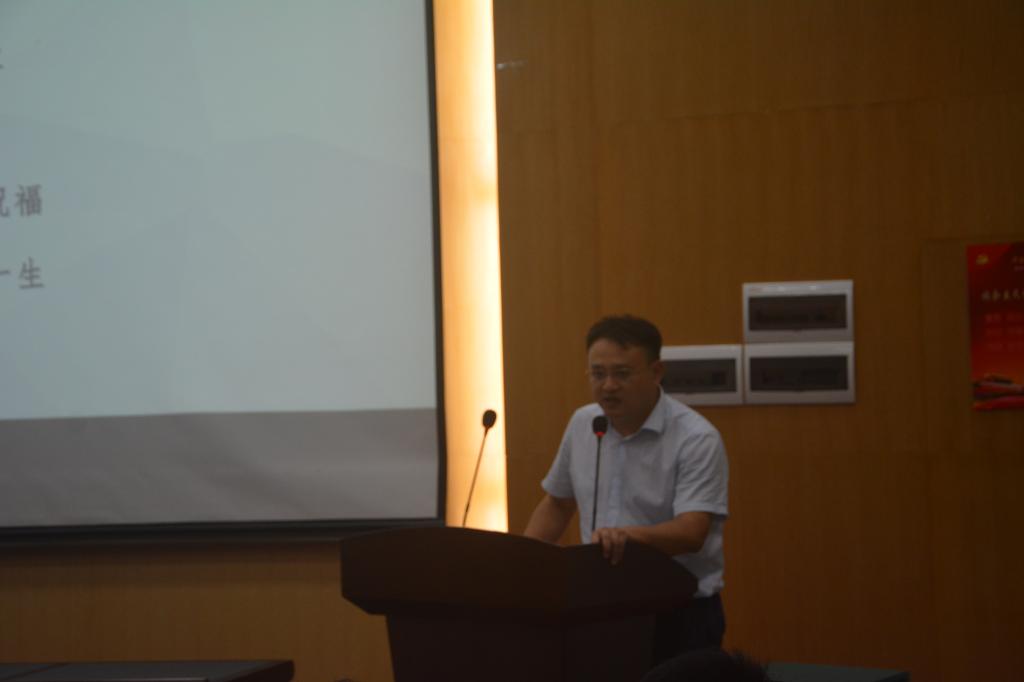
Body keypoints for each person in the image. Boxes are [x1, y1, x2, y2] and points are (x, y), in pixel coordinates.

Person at [523, 314, 729, 664]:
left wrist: (629, 537)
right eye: (597, 374)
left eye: (621, 374)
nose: (608, 386)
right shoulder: (584, 423)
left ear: (656, 372)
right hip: (599, 609)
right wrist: (523, 563)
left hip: (679, 615)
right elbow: (557, 504)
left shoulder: (696, 438)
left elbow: (692, 532)